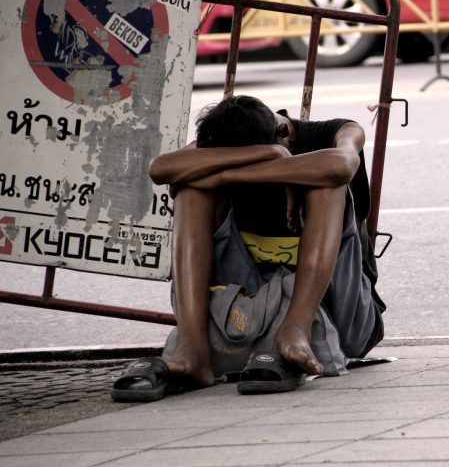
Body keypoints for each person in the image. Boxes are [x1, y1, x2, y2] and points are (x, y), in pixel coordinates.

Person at [111, 95, 384, 400]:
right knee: (191, 191)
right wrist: (269, 155)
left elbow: (341, 164)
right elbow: (161, 168)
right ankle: (193, 347)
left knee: (327, 185)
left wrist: (229, 174)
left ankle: (296, 330)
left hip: (338, 309)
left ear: (284, 136)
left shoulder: (335, 131)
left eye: (258, 152)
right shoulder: (229, 137)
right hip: (249, 302)